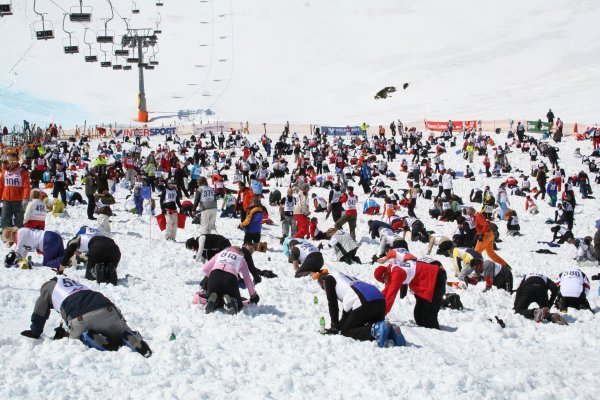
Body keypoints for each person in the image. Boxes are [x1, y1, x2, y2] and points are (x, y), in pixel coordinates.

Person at [19, 276, 151, 356]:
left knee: (75, 340)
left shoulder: (47, 289)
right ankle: (125, 335)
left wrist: (35, 332)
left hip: (82, 317)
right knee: (119, 331)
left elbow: (39, 312)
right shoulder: (74, 285)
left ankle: (89, 337)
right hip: (109, 310)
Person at [313, 270, 403, 348]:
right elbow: (347, 314)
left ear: (322, 282)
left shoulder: (328, 279)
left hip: (365, 301)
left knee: (346, 331)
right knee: (376, 327)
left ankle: (376, 329)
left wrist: (334, 325)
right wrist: (339, 325)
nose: (325, 290)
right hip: (380, 300)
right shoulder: (344, 278)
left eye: (323, 288)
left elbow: (332, 303)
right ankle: (391, 331)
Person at [374, 258, 447, 329]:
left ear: (385, 274)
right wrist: (375, 304)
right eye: (382, 282)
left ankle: (439, 336)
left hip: (436, 276)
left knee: (430, 315)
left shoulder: (396, 272)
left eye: (384, 280)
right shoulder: (390, 272)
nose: (385, 283)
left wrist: (381, 315)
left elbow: (390, 296)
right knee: (419, 318)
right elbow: (386, 291)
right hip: (423, 282)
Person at [202, 246, 259, 315]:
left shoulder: (220, 254)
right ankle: (232, 301)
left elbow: (205, 268)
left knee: (217, 297)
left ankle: (215, 300)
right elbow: (248, 280)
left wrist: (212, 277)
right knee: (239, 305)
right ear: (240, 253)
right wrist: (253, 295)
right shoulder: (241, 258)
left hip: (214, 276)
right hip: (230, 279)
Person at [0, 151, 31, 229]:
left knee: (19, 220)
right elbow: (1, 186)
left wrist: (25, 198)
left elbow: (26, 186)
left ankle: (18, 236)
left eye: (14, 161)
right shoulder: (4, 172)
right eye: (10, 161)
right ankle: (7, 236)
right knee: (5, 219)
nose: (12, 163)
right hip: (6, 200)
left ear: (18, 161)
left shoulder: (22, 172)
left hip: (19, 201)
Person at [193, 177, 218, 261]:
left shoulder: (200, 189)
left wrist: (193, 209)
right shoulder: (211, 188)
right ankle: (217, 242)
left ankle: (201, 252)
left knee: (204, 228)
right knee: (212, 227)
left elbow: (196, 199)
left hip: (205, 208)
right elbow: (215, 198)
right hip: (214, 208)